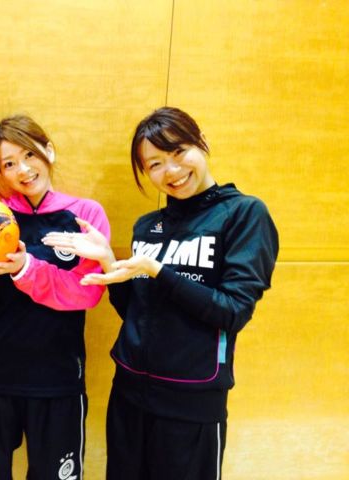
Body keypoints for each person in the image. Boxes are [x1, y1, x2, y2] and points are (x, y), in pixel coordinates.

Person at [43, 107, 279, 480]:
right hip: (128, 395)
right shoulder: (148, 226)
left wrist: (158, 271)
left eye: (179, 152)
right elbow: (137, 311)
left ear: (203, 143)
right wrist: (108, 262)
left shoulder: (244, 214)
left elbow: (233, 311)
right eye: (154, 164)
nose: (171, 170)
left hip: (192, 401)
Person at [0, 114, 110, 479]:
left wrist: (26, 268)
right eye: (9, 164)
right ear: (0, 173)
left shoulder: (85, 214)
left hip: (58, 380)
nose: (22, 170)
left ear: (48, 151)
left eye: (29, 154)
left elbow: (87, 293)